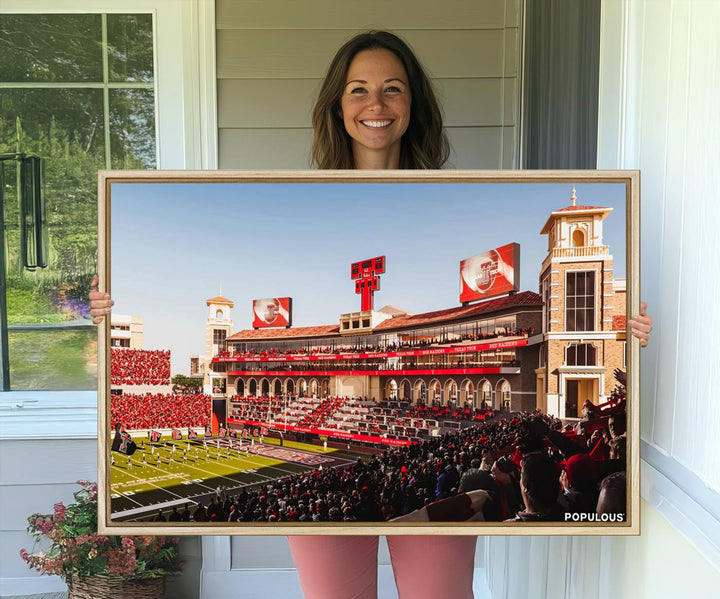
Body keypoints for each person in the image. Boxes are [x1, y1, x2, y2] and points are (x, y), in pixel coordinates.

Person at [90, 29, 653, 599]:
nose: (376, 104)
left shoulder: (452, 193)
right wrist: (102, 309)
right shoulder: (299, 191)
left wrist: (627, 333)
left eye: (393, 89)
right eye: (358, 89)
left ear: (414, 105)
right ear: (337, 104)